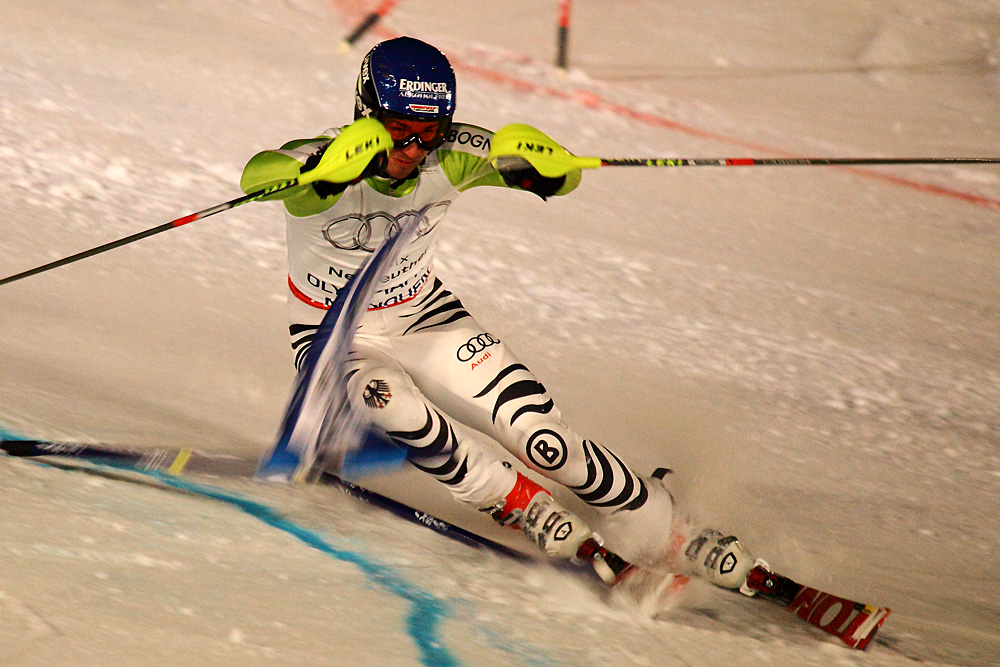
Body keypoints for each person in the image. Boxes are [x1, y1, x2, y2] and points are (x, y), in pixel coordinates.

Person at [241, 36, 754, 588]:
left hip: (426, 318)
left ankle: (664, 523)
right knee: (393, 406)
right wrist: (322, 170)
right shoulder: (320, 163)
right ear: (367, 114)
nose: (415, 148)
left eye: (430, 130)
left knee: (543, 441)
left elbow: (558, 176)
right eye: (399, 131)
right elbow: (257, 175)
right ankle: (511, 498)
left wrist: (549, 169)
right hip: (337, 338)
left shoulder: (452, 154)